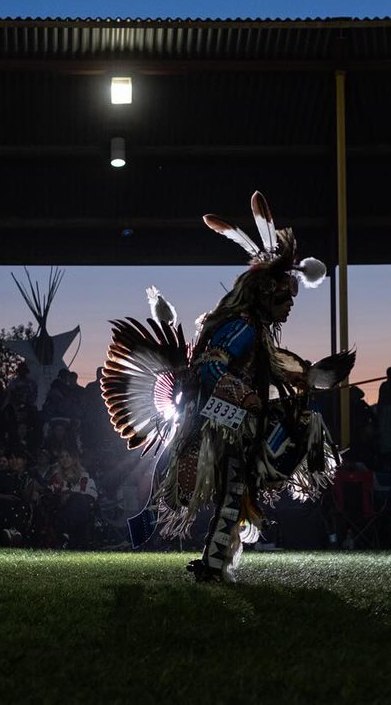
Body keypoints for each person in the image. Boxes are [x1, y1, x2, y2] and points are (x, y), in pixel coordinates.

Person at [102, 191, 352, 581]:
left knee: (236, 490)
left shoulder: (255, 331)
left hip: (231, 422)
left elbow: (261, 369)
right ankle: (214, 564)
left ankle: (215, 562)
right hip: (223, 424)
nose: (289, 305)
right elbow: (210, 366)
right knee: (235, 488)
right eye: (284, 297)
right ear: (265, 295)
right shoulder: (243, 328)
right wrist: (246, 397)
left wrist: (302, 378)